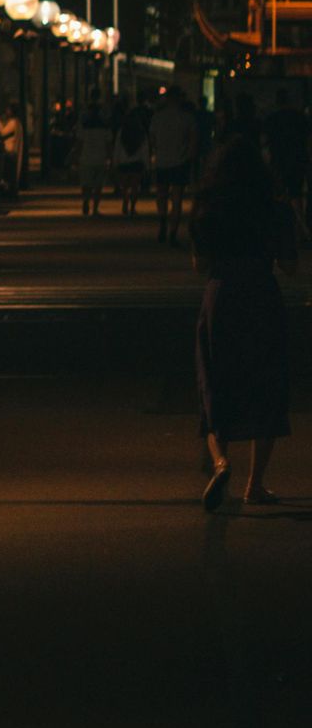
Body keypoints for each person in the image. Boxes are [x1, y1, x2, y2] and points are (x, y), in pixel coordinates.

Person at [191, 137, 295, 510]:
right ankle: (256, 484)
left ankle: (221, 463)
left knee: (216, 380)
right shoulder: (274, 208)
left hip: (220, 295)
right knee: (266, 382)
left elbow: (199, 265)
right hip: (261, 294)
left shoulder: (207, 207)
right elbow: (291, 266)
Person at [148, 84, 199, 246]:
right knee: (177, 199)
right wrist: (188, 157)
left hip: (162, 161)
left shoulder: (157, 117)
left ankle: (162, 223)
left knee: (161, 195)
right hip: (180, 161)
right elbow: (193, 142)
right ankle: (173, 233)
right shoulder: (187, 118)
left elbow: (152, 140)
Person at [76, 97, 115, 219]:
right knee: (98, 186)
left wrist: (76, 156)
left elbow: (79, 143)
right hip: (100, 158)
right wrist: (111, 159)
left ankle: (86, 200)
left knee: (86, 183)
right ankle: (95, 208)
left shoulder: (83, 126)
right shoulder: (105, 127)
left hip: (86, 158)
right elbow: (109, 145)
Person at [114, 94, 150, 218]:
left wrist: (116, 161)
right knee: (135, 187)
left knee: (125, 187)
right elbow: (145, 150)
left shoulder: (122, 131)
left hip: (124, 162)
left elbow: (117, 148)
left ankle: (125, 202)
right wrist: (147, 164)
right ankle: (132, 207)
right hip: (137, 163)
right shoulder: (141, 132)